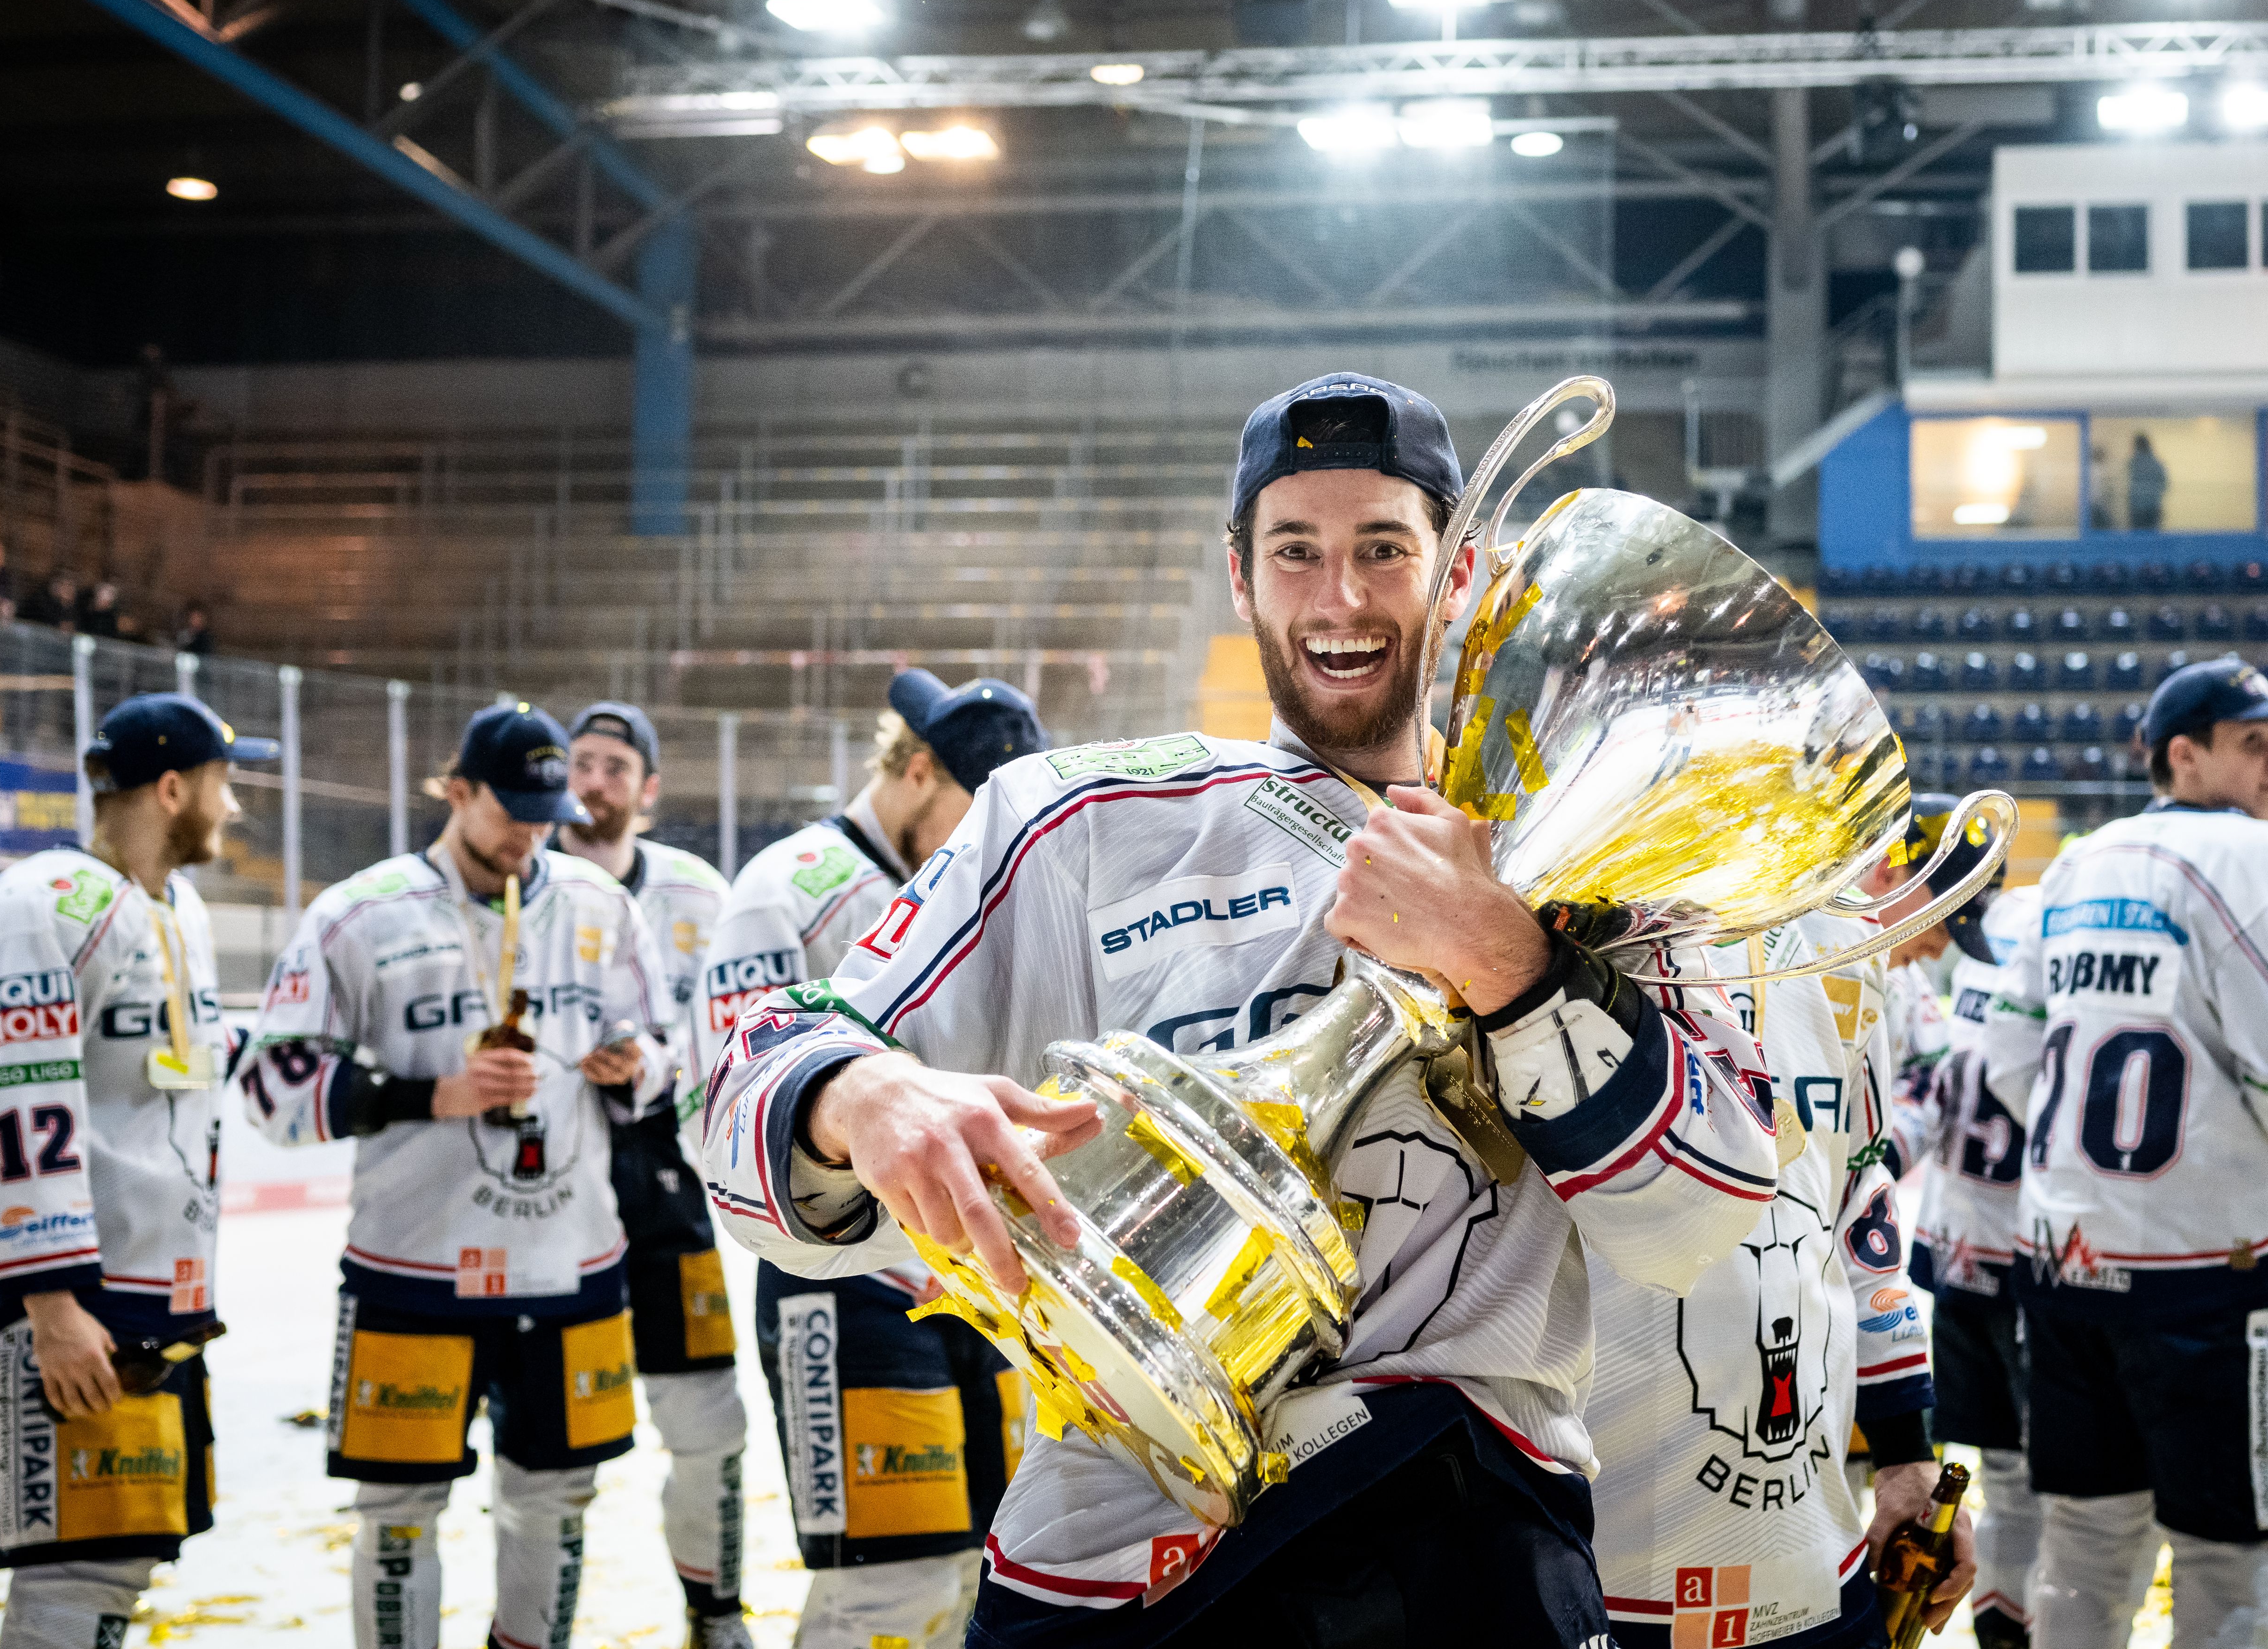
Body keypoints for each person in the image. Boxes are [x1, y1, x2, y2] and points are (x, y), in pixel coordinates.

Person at [696, 371, 1780, 1647]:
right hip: (1122, 1553)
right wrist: (851, 1094)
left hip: (1470, 1545)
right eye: (1297, 552)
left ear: (1462, 566)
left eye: (1384, 548)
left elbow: (1714, 1213)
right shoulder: (1077, 821)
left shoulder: (1592, 866)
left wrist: (1515, 969)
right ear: (1240, 575)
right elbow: (742, 1103)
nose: (1342, 597)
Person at [233, 701, 668, 1649]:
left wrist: (640, 1069)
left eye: (545, 811)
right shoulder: (360, 911)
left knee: (556, 1499)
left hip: (570, 1264)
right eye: (509, 807)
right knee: (396, 1511)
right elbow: (268, 1083)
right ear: (456, 789)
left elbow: (672, 1052)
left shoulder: (602, 905)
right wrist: (434, 1094)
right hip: (411, 1267)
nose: (531, 831)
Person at [1984, 658, 2268, 1649]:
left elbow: (2008, 1056)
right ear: (2182, 754)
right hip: (2210, 1274)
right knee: (2233, 1567)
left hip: (2063, 1264)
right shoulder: (2259, 853)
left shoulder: (2076, 861)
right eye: (2254, 741)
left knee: (2085, 1550)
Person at [1585, 800, 1990, 1649]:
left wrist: (1907, 1453)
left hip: (1809, 1555)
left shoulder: (1839, 950)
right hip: (1592, 1555)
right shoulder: (1545, 912)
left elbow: (1861, 1212)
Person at [699, 670, 1045, 1649]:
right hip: (844, 1284)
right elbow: (719, 1110)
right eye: (977, 817)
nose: (992, 846)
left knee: (990, 1574)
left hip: (985, 1281)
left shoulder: (989, 881)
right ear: (918, 767)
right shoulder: (787, 886)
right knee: (893, 1588)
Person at [0, 693, 275, 1645]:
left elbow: (169, 1070)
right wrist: (50, 1306)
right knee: (73, 1574)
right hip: (78, 1304)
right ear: (172, 789)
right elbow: (19, 1098)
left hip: (157, 1294)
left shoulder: (177, 904)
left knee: (119, 1566)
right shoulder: (42, 904)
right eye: (222, 783)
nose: (231, 807)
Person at [557, 701, 754, 1649]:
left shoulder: (696, 892)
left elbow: (731, 1041)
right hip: (546, 1197)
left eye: (610, 766)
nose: (589, 780)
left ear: (647, 790)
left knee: (708, 1420)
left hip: (667, 1185)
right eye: (578, 762)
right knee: (551, 1452)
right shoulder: (529, 876)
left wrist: (656, 1068)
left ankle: (716, 1615)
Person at [1909, 881, 2043, 1649]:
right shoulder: (1976, 959)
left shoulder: (2007, 951)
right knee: (2005, 1473)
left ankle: (2027, 1626)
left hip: (2023, 1257)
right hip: (1967, 1246)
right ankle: (2006, 1630)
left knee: (2040, 1482)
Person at [2123, 433, 2167, 533]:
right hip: (2153, 507)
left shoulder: (2133, 463)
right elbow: (2164, 483)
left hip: (2137, 508)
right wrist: (2155, 495)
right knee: (2153, 540)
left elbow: (2124, 483)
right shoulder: (2156, 463)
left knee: (2137, 540)